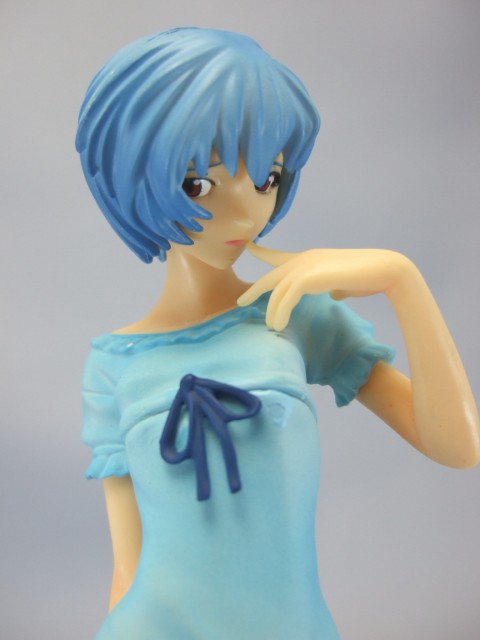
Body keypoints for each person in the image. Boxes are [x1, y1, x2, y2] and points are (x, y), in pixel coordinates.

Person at [77, 28, 479, 640]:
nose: (247, 212)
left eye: (267, 178)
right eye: (199, 184)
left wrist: (402, 279)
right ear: (137, 179)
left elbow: (458, 447)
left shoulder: (293, 313)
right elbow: (126, 569)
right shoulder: (113, 364)